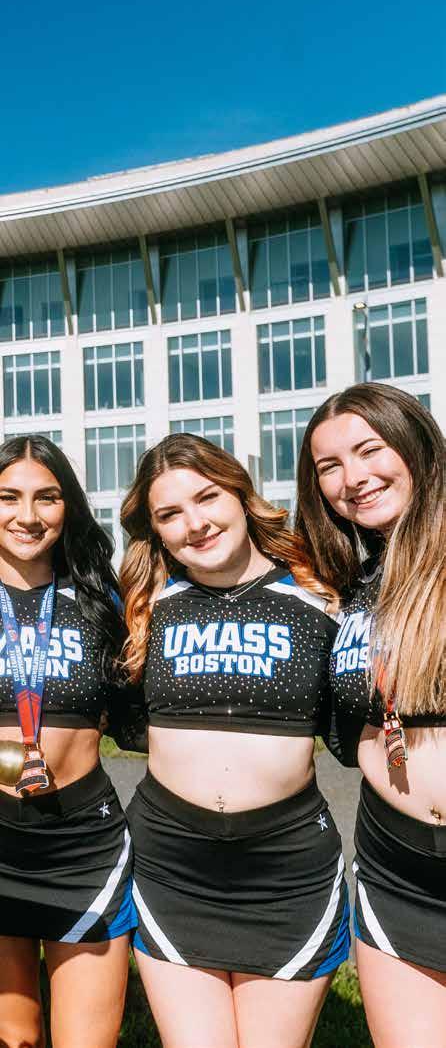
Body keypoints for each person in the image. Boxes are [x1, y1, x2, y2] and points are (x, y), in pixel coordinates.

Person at [120, 432, 350, 1048]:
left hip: (287, 873)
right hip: (171, 868)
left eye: (207, 497)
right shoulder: (147, 605)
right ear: (155, 530)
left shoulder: (319, 597)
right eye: (170, 513)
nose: (195, 524)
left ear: (241, 495)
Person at [296, 382, 446, 1048]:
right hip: (396, 866)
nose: (352, 478)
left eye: (368, 450)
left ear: (415, 444)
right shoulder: (355, 585)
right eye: (329, 465)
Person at [0, 434, 137, 1048]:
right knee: (14, 1038)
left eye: (47, 497)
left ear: (69, 506)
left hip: (81, 843)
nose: (27, 516)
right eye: (8, 497)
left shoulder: (100, 600)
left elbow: (136, 713)